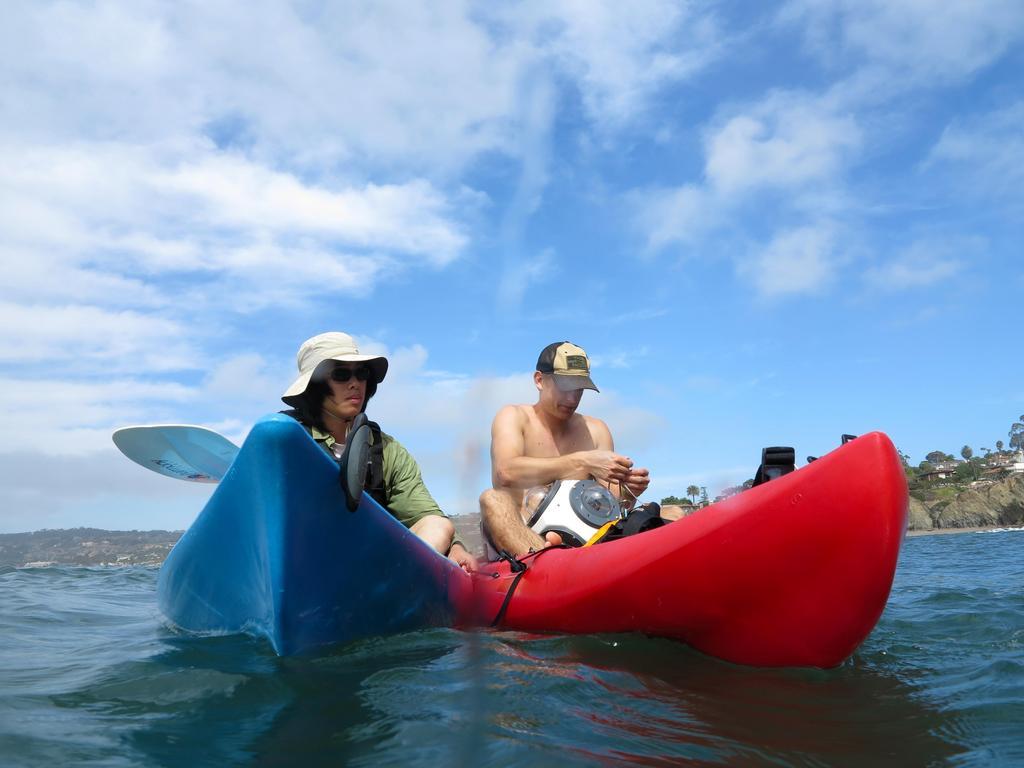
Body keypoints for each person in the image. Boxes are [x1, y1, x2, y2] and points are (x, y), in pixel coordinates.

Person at [281, 331, 478, 572]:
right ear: (315, 386)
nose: (355, 383)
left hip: (371, 570)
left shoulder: (386, 449)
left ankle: (392, 592)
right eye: (341, 374)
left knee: (438, 525)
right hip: (305, 562)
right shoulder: (284, 439)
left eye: (361, 373)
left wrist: (455, 547)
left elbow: (424, 515)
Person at [480, 341, 683, 559]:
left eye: (579, 389)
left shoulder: (596, 430)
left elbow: (611, 501)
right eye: (564, 387)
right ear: (539, 380)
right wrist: (583, 461)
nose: (572, 398)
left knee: (674, 513)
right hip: (527, 535)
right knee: (492, 499)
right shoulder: (514, 416)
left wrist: (628, 490)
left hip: (587, 540)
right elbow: (506, 472)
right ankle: (549, 566)